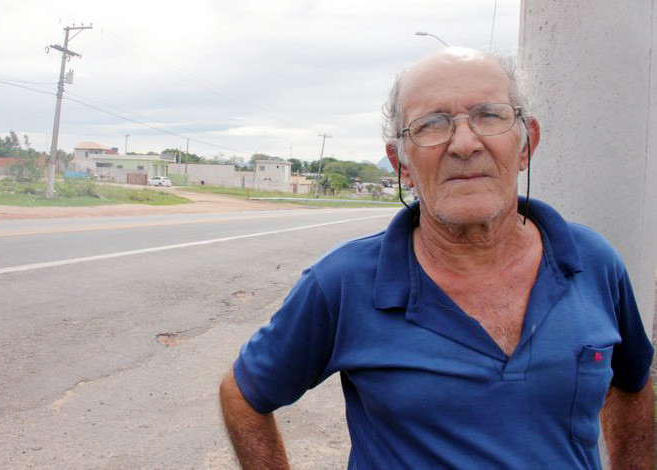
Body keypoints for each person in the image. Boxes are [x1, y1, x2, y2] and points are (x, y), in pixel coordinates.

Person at [219, 47, 654, 469]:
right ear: (402, 163)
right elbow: (244, 395)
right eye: (431, 124)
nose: (465, 144)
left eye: (489, 115)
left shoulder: (594, 261)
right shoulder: (342, 283)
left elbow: (631, 383)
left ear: (525, 144)